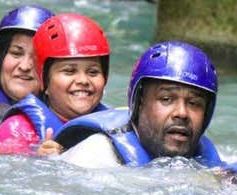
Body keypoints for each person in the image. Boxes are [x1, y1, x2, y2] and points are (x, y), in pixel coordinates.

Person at [47, 41, 223, 168]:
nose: (182, 113)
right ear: (139, 104)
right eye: (166, 99)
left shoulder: (208, 161)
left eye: (194, 103)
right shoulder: (94, 158)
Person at [0, 13, 110, 154]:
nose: (83, 80)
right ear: (44, 81)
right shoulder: (16, 130)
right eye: (69, 71)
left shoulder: (115, 124)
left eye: (93, 72)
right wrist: (41, 162)